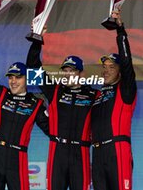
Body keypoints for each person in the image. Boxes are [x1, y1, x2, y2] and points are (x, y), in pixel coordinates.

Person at [0, 25, 49, 190]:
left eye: (18, 77)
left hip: (17, 158)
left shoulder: (36, 104)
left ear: (27, 79)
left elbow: (52, 131)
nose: (13, 81)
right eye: (11, 77)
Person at [26, 33, 98, 190]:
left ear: (81, 74)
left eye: (72, 71)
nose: (67, 74)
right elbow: (33, 67)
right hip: (58, 152)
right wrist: (37, 39)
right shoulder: (56, 91)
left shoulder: (94, 95)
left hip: (81, 153)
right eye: (65, 70)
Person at [91, 9, 137, 190]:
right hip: (98, 153)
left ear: (119, 70)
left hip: (118, 150)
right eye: (104, 66)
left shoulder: (125, 89)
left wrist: (120, 31)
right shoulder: (97, 94)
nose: (107, 70)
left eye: (112, 66)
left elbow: (127, 64)